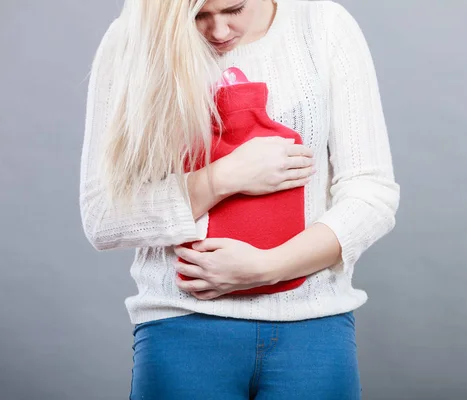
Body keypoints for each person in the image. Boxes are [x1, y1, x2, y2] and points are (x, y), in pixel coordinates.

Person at [80, 0, 400, 398]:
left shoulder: (323, 25)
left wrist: (270, 267)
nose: (218, 32)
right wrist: (223, 178)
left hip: (313, 328)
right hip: (183, 328)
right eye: (197, 15)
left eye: (234, 8)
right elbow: (103, 217)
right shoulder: (133, 41)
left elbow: (371, 193)